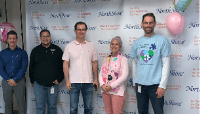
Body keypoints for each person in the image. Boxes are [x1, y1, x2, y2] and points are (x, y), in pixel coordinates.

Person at [130, 13, 171, 114]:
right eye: (145, 23)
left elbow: (166, 64)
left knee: (158, 112)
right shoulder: (136, 43)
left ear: (155, 24)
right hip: (140, 85)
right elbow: (134, 64)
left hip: (156, 86)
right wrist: (135, 81)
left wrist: (162, 86)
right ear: (142, 24)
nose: (148, 25)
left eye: (150, 23)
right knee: (142, 112)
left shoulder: (162, 40)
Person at [62, 21, 99, 114]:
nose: (81, 31)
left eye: (83, 29)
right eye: (79, 29)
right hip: (73, 82)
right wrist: (67, 80)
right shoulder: (69, 46)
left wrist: (96, 79)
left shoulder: (91, 46)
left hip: (88, 82)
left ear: (86, 31)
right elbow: (65, 64)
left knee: (88, 108)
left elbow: (94, 63)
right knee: (73, 109)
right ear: (75, 31)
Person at [29, 29, 64, 114]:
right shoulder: (35, 50)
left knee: (52, 107)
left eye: (47, 36)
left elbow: (63, 66)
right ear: (40, 38)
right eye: (43, 37)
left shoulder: (57, 50)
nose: (45, 38)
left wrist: (59, 79)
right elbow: (31, 66)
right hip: (38, 85)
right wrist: (32, 80)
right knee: (40, 107)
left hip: (53, 84)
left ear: (50, 37)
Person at [0, 30, 28, 114]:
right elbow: (0, 69)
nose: (12, 40)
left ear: (17, 39)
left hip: (19, 81)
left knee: (21, 103)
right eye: (10, 38)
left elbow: (24, 68)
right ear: (7, 40)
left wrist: (15, 79)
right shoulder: (2, 53)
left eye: (14, 38)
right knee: (8, 104)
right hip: (6, 81)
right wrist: (9, 79)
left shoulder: (22, 53)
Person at [99, 36, 129, 114]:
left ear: (120, 46)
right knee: (108, 112)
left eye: (116, 44)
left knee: (116, 112)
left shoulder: (123, 59)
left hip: (117, 91)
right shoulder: (106, 58)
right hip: (105, 90)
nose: (114, 46)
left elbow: (124, 75)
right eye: (112, 44)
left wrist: (111, 86)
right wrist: (102, 84)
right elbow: (101, 73)